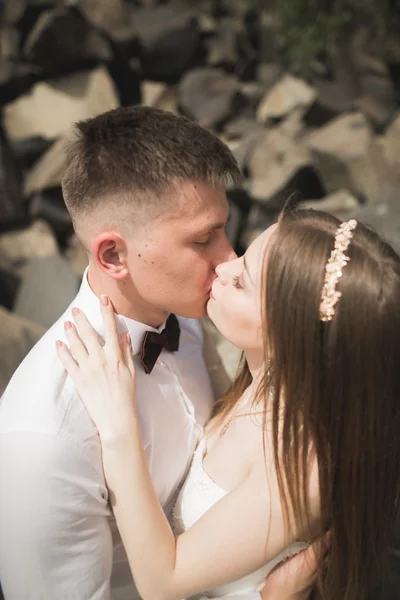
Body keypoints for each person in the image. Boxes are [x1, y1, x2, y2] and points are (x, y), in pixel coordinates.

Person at [0, 106, 314, 600]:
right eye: (203, 239)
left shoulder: (188, 316)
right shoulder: (44, 432)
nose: (229, 258)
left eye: (224, 228)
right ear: (113, 256)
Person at [56, 208, 400, 600]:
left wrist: (118, 424)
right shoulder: (267, 384)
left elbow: (162, 581)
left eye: (240, 281)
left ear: (290, 333)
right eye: (242, 256)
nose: (222, 266)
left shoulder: (302, 462)